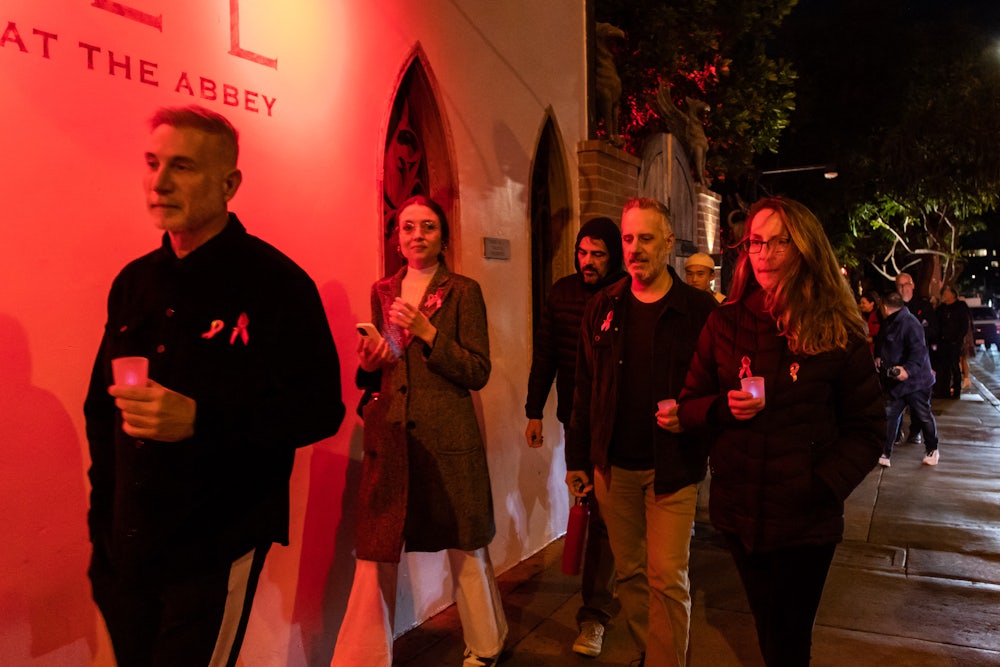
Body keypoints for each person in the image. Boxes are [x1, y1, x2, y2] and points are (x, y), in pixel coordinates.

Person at [84, 105, 346, 667]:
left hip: (214, 544)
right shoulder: (133, 282)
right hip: (126, 546)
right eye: (152, 163)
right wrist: (100, 526)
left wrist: (203, 420)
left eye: (182, 166)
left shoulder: (277, 284)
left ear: (230, 183)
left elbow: (321, 409)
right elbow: (101, 412)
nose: (159, 182)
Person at [675, 197, 884, 666]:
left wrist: (819, 485)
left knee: (788, 639)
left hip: (805, 522)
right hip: (739, 514)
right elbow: (689, 406)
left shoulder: (839, 329)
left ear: (805, 248)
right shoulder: (724, 321)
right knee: (769, 631)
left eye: (778, 242)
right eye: (755, 242)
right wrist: (722, 410)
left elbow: (868, 429)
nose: (764, 253)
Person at [331, 195, 507, 667]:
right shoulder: (383, 290)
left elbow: (478, 370)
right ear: (397, 236)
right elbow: (384, 363)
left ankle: (487, 643)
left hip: (448, 438)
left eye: (427, 227)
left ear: (443, 235)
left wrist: (430, 335)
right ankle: (363, 657)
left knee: (466, 544)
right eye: (407, 227)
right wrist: (369, 366)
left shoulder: (462, 291)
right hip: (393, 437)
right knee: (376, 548)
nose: (416, 236)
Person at [566, 197, 717, 667]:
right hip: (614, 466)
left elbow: (720, 383)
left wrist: (691, 415)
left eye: (645, 238)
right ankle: (649, 655)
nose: (634, 249)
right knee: (629, 574)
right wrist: (578, 460)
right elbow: (584, 388)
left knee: (667, 576)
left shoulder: (697, 309)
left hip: (673, 466)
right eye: (628, 238)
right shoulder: (603, 307)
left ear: (668, 243)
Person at [523, 217, 625, 657]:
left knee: (610, 516)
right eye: (583, 252)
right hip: (576, 418)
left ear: (613, 256)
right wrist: (533, 411)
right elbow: (546, 351)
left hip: (621, 421)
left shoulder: (626, 294)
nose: (588, 261)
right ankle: (597, 610)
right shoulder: (563, 292)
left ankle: (601, 609)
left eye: (598, 254)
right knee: (592, 507)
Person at [876, 291, 940, 466]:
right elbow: (884, 343)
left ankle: (932, 449)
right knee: (890, 415)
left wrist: (907, 370)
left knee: (923, 414)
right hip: (898, 381)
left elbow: (918, 352)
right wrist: (879, 358)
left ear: (884, 307)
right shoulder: (892, 322)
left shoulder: (910, 323)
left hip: (916, 382)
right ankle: (885, 453)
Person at [935, 285, 972, 399]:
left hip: (955, 341)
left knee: (954, 365)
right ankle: (944, 390)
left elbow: (964, 325)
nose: (944, 296)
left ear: (953, 294)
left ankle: (956, 389)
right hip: (943, 341)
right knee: (944, 366)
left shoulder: (960, 307)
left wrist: (958, 339)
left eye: (946, 293)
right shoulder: (941, 309)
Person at [859, 289, 881, 354]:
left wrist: (873, 339)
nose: (861, 305)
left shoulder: (879, 315)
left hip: (877, 351)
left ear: (872, 303)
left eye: (863, 303)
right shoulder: (860, 317)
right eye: (860, 303)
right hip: (865, 351)